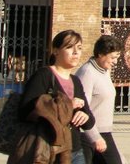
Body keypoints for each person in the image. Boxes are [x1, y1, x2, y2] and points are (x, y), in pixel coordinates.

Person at [18, 30, 95, 164]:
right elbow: (25, 111)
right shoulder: (44, 75)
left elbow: (89, 122)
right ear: (56, 51)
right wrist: (68, 104)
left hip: (74, 150)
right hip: (47, 150)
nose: (76, 52)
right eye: (69, 47)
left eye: (79, 48)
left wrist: (85, 115)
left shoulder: (76, 81)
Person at [76, 34, 125, 164]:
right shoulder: (87, 73)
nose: (115, 62)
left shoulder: (104, 71)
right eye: (113, 57)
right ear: (100, 54)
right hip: (89, 133)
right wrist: (95, 136)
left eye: (117, 57)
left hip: (104, 131)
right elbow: (82, 108)